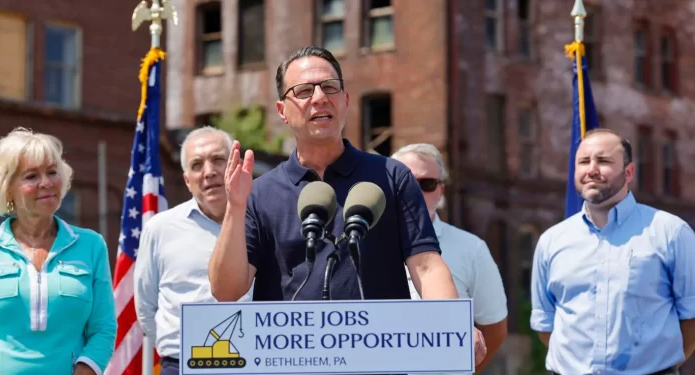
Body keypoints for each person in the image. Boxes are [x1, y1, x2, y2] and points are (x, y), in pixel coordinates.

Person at [207, 45, 487, 367]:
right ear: (282, 110)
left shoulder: (391, 176)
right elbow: (226, 291)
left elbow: (425, 265)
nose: (319, 98)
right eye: (303, 91)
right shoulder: (260, 193)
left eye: (330, 87)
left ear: (346, 100)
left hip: (380, 362)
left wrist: (452, 322)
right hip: (290, 364)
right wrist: (236, 206)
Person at [0, 128, 116, 375]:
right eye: (31, 176)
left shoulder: (92, 245)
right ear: (8, 190)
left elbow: (103, 328)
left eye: (52, 172)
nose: (46, 183)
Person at [530, 128, 695, 375]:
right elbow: (547, 325)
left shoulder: (671, 232)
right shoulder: (551, 241)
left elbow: (691, 317)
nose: (591, 169)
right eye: (583, 161)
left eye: (604, 161)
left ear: (628, 172)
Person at [134, 126, 252, 375]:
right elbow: (146, 307)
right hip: (181, 364)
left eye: (218, 160)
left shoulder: (262, 222)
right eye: (197, 165)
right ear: (187, 180)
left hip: (253, 362)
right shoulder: (160, 229)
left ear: (236, 165)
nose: (209, 172)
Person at [392, 143, 508, 373]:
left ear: (441, 190)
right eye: (405, 182)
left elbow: (494, 328)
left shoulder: (471, 248)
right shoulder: (361, 243)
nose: (415, 192)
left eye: (426, 184)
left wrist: (462, 369)